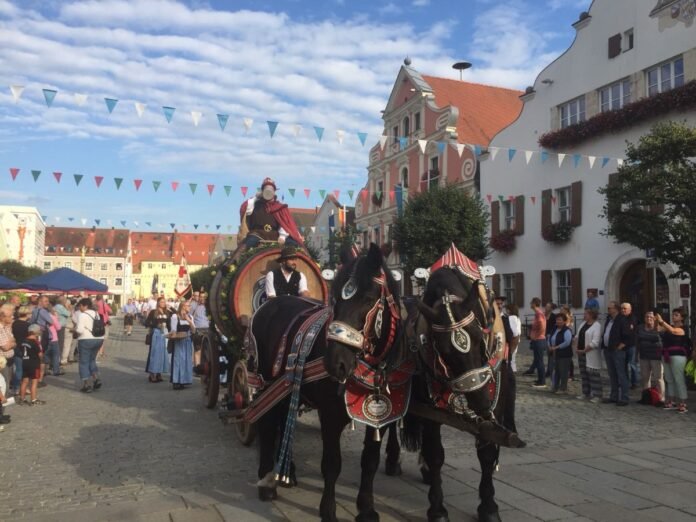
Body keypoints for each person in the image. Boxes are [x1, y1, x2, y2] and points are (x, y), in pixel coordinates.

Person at [238, 177, 305, 249]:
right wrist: (255, 197)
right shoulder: (255, 204)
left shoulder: (279, 207)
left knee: (295, 245)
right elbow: (245, 208)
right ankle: (236, 259)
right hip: (257, 234)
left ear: (274, 191)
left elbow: (284, 224)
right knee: (244, 247)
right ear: (262, 191)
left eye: (271, 189)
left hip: (275, 235)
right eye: (266, 189)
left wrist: (282, 236)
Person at [657, 308, 690, 414]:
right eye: (673, 314)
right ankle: (671, 400)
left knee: (678, 379)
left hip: (678, 356)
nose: (674, 316)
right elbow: (657, 330)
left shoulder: (683, 328)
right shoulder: (668, 327)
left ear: (682, 318)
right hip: (666, 355)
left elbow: (674, 331)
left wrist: (662, 322)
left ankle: (683, 402)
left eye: (676, 315)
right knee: (669, 379)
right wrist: (655, 320)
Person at [601, 301, 632, 406]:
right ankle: (613, 396)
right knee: (612, 374)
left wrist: (621, 346)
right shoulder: (609, 320)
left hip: (617, 351)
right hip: (608, 349)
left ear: (616, 309)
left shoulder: (622, 320)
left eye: (610, 308)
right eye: (608, 308)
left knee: (621, 374)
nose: (608, 310)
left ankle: (624, 397)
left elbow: (628, 336)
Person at [74, 298, 104, 393]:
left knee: (83, 362)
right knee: (92, 360)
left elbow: (79, 330)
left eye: (80, 306)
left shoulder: (83, 315)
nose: (80, 308)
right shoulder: (96, 313)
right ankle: (96, 378)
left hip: (86, 340)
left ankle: (86, 385)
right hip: (98, 339)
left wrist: (73, 330)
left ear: (84, 306)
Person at [574, 308, 603, 403]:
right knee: (584, 374)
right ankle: (586, 393)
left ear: (591, 315)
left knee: (593, 374)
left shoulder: (597, 325)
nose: (584, 315)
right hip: (581, 353)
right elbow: (577, 336)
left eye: (586, 314)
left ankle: (597, 395)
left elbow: (595, 342)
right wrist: (576, 347)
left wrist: (584, 350)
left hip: (590, 353)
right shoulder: (583, 324)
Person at [637, 311, 664, 406]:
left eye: (651, 317)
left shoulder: (659, 328)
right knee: (645, 378)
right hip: (644, 355)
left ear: (654, 319)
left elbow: (659, 340)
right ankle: (646, 397)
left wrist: (647, 338)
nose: (649, 319)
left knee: (658, 378)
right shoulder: (640, 328)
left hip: (656, 356)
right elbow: (639, 338)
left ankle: (661, 398)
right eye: (647, 317)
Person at [170, 301, 195, 390]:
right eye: (188, 306)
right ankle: (176, 381)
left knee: (186, 361)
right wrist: (173, 334)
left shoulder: (190, 317)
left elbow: (193, 330)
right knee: (178, 360)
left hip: (187, 340)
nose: (190, 307)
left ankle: (184, 380)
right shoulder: (175, 316)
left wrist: (189, 320)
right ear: (183, 307)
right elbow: (173, 329)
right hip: (179, 340)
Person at [145, 297, 170, 383]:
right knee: (154, 354)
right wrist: (156, 325)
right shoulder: (153, 312)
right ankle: (152, 375)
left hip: (164, 335)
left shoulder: (167, 312)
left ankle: (159, 373)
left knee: (162, 354)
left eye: (164, 301)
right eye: (161, 302)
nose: (163, 303)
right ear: (158, 303)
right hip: (156, 334)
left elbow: (170, 323)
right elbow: (147, 322)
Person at [18, 324, 44, 405]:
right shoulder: (35, 342)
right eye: (38, 331)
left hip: (25, 362)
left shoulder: (23, 341)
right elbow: (40, 354)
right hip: (34, 364)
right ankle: (33, 399)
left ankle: (22, 399)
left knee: (24, 381)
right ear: (34, 332)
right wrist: (42, 361)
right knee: (34, 382)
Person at [548, 313, 573, 394]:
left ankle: (563, 388)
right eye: (557, 319)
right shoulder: (554, 328)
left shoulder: (567, 330)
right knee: (556, 371)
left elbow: (567, 342)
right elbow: (549, 337)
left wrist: (557, 347)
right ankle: (555, 387)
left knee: (563, 371)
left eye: (560, 320)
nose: (558, 321)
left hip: (564, 354)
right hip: (554, 353)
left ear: (564, 321)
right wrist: (549, 345)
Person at [10, 306, 30, 395]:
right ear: (27, 314)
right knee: (25, 369)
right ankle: (24, 387)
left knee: (18, 369)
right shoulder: (28, 325)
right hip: (26, 348)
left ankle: (16, 387)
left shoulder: (14, 323)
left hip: (16, 347)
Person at [528, 297, 547, 388]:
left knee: (539, 361)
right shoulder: (538, 313)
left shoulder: (539, 314)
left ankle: (542, 382)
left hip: (539, 340)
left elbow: (542, 326)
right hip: (538, 340)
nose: (530, 304)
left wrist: (535, 336)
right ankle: (540, 379)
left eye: (531, 303)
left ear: (534, 304)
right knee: (538, 360)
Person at [620, 303, 638, 389]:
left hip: (631, 345)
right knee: (623, 365)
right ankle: (625, 382)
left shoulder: (632, 318)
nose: (623, 310)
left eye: (625, 309)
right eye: (622, 308)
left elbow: (630, 331)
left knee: (632, 365)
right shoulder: (619, 318)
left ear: (630, 310)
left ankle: (634, 382)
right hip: (622, 346)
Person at [0, 304, 16, 400]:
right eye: (10, 316)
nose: (12, 317)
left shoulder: (6, 327)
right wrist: (11, 342)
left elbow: (14, 341)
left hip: (9, 360)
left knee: (7, 383)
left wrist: (11, 342)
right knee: (3, 386)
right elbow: (5, 347)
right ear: (2, 317)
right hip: (2, 361)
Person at [190, 292, 210, 369]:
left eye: (204, 297)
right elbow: (189, 316)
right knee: (198, 350)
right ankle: (197, 367)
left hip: (207, 329)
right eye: (200, 297)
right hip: (198, 329)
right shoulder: (194, 306)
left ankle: (205, 367)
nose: (202, 298)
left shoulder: (208, 307)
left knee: (206, 350)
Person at [54, 296, 71, 366]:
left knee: (59, 344)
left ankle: (57, 360)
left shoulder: (56, 306)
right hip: (60, 327)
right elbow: (69, 314)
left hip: (58, 326)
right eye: (65, 300)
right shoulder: (60, 307)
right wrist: (67, 307)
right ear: (63, 301)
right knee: (60, 344)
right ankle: (57, 361)